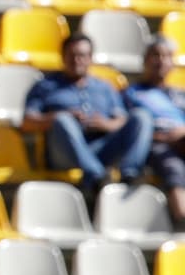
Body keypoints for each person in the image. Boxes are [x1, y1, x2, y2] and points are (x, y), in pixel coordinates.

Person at [21, 33, 152, 194]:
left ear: (90, 58)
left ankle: (130, 174)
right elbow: (27, 122)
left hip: (101, 148)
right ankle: (98, 179)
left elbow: (122, 119)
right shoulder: (45, 86)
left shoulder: (104, 87)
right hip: (64, 153)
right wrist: (59, 117)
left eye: (82, 55)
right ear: (63, 57)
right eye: (72, 56)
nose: (77, 60)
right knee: (63, 119)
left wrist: (106, 124)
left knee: (142, 117)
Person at [123, 36, 185, 227]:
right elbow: (128, 129)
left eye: (166, 56)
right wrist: (166, 138)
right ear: (145, 60)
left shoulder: (180, 94)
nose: (161, 60)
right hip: (157, 145)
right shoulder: (132, 93)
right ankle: (182, 217)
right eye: (155, 55)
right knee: (172, 164)